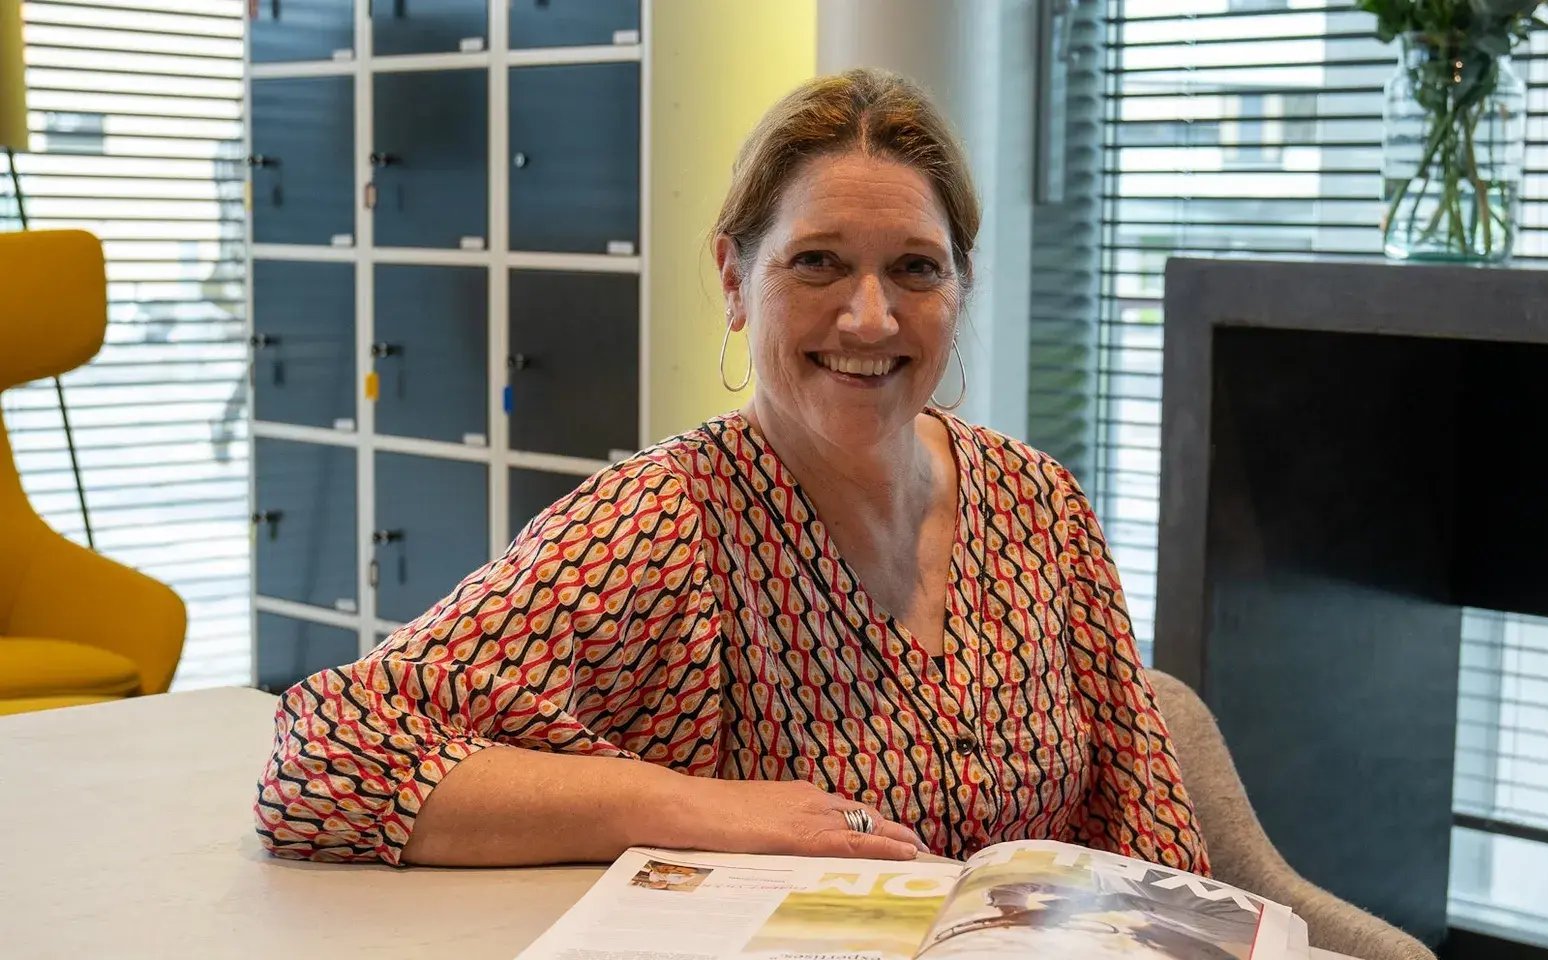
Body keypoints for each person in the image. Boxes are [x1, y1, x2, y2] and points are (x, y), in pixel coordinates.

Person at [253, 67, 1208, 873]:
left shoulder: (1038, 502)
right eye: (818, 262)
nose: (870, 317)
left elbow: (1151, 828)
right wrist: (692, 807)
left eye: (916, 269)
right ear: (733, 279)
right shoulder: (664, 524)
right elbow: (323, 760)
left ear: (960, 289)